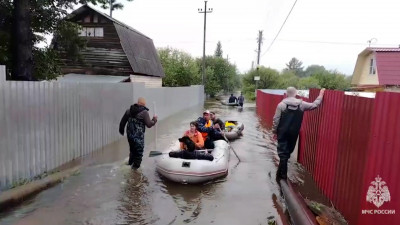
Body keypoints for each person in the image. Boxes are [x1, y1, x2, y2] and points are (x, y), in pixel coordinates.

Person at [272, 87, 325, 181]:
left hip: (282, 132)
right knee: (287, 152)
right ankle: (281, 174)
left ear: (286, 94)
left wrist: (274, 131)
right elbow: (314, 105)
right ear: (296, 93)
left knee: (282, 153)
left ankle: (282, 176)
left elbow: (276, 120)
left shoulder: (281, 105)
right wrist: (321, 95)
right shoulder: (302, 105)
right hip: (294, 133)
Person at [119, 97, 157, 169]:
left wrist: (121, 131)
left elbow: (122, 122)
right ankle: (134, 173)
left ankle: (130, 164)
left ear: (137, 102)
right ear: (144, 104)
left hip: (130, 136)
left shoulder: (129, 110)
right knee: (138, 155)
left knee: (132, 151)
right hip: (138, 138)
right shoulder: (144, 112)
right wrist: (154, 120)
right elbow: (149, 124)